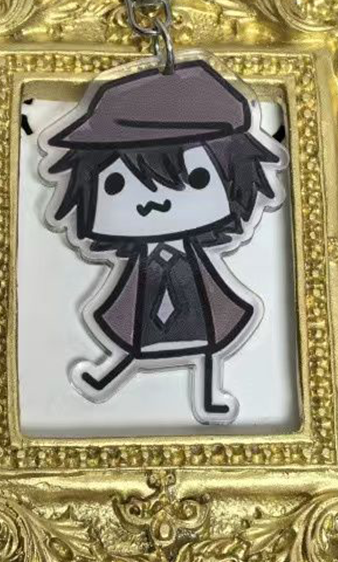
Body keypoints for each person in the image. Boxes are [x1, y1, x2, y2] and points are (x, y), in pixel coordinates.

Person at [40, 59, 287, 423]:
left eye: (195, 179)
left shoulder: (197, 255)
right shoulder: (138, 260)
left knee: (207, 345)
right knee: (135, 341)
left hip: (197, 294)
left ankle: (208, 395)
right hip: (148, 287)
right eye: (116, 184)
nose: (153, 202)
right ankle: (106, 376)